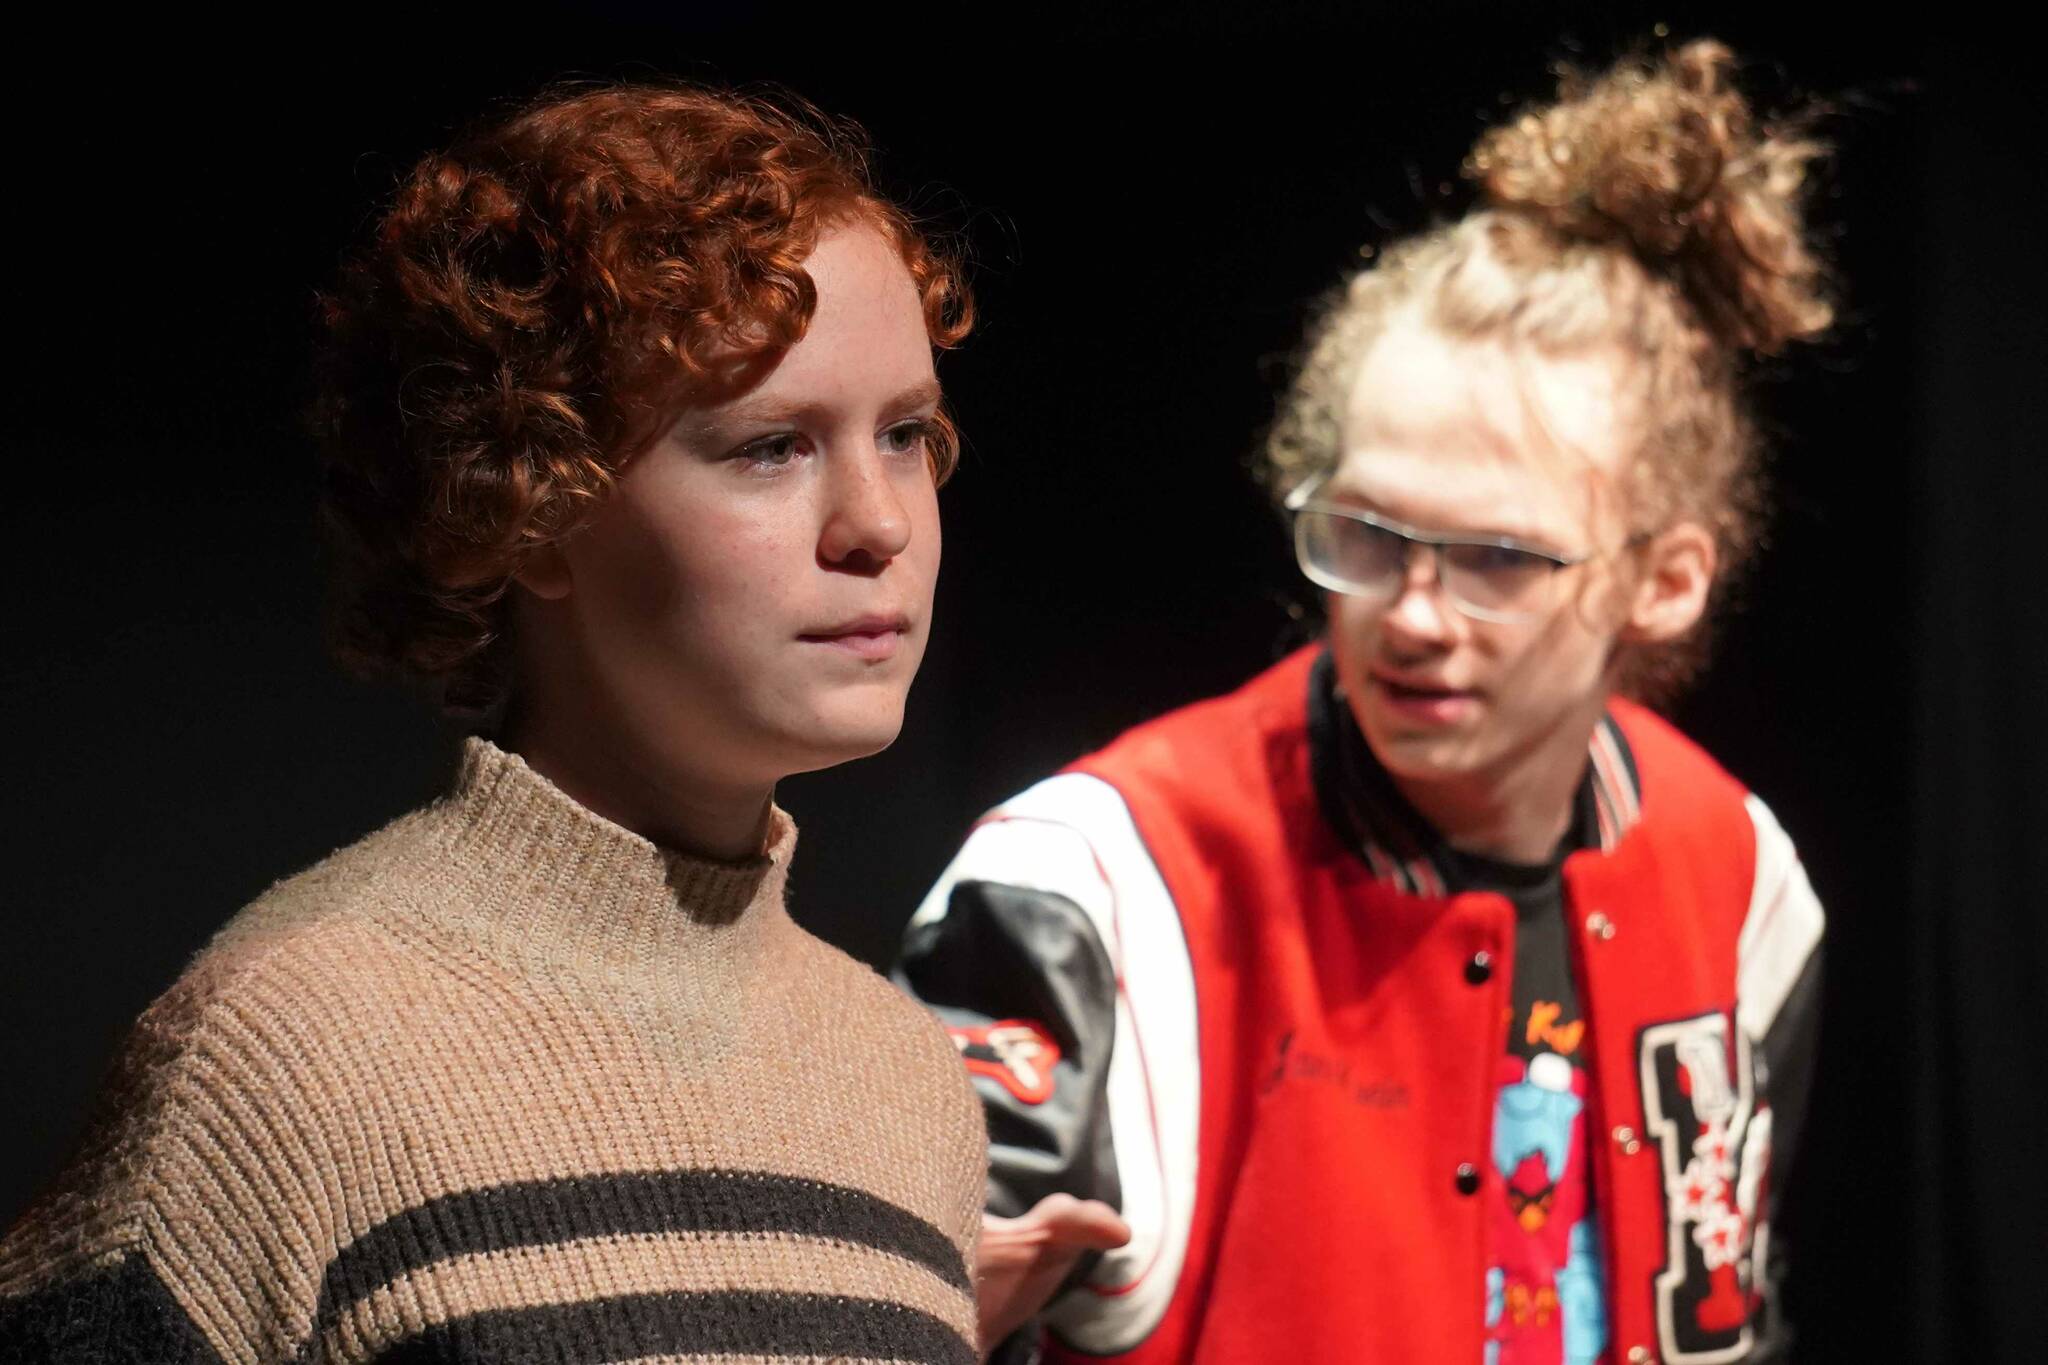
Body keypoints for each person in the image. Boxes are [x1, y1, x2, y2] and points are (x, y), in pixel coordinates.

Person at [0, 84, 987, 1365]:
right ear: (520, 502)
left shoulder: (906, 1093)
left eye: (906, 434)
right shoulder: (285, 1061)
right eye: (768, 447)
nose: (881, 524)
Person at [900, 40, 1829, 1365]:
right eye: (1370, 533)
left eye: (1500, 558)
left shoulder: (1741, 881)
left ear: (1666, 581)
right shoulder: (1094, 891)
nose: (1412, 613)